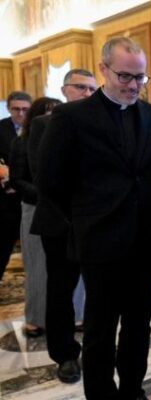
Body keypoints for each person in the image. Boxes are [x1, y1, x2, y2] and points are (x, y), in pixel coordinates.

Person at [36, 37, 151, 400]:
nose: (133, 85)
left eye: (140, 77)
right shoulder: (71, 118)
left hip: (147, 240)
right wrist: (87, 219)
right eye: (125, 76)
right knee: (100, 327)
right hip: (100, 241)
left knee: (139, 324)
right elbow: (50, 181)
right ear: (103, 69)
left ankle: (132, 389)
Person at [29, 68, 95, 383]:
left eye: (92, 89)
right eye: (80, 87)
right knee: (60, 290)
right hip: (60, 222)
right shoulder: (43, 124)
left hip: (97, 222)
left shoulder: (102, 124)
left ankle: (97, 347)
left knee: (101, 290)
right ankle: (65, 354)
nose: (87, 93)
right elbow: (43, 175)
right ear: (65, 89)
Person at [9, 96, 61, 340]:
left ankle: (75, 316)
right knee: (38, 267)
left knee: (70, 269)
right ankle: (35, 320)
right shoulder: (21, 142)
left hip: (64, 210)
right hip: (35, 208)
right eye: (48, 113)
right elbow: (17, 180)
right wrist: (46, 195)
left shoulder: (66, 142)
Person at [0, 91, 31, 281]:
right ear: (9, 109)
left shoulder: (37, 127)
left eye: (25, 109)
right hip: (6, 198)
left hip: (29, 194)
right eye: (16, 109)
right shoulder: (1, 128)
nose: (20, 113)